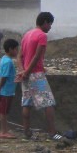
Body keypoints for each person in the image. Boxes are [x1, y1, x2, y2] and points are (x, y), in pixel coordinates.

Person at [19, 11, 59, 139]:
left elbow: (20, 56)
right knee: (48, 103)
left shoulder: (27, 34)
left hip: (25, 74)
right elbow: (36, 57)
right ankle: (52, 132)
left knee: (27, 103)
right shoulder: (42, 36)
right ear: (45, 22)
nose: (50, 27)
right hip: (35, 74)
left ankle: (26, 132)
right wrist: (28, 72)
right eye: (50, 24)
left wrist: (22, 71)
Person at [0, 37, 19, 137]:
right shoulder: (8, 62)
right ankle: (3, 131)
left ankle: (5, 130)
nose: (17, 51)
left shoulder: (4, 59)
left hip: (7, 91)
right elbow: (4, 77)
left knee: (5, 112)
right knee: (3, 112)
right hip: (6, 91)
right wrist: (0, 87)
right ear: (10, 49)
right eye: (16, 49)